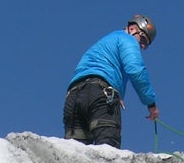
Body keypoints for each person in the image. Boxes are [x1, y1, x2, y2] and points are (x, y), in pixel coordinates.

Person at [63, 15, 159, 148]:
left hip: (73, 97)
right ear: (132, 29)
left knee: (75, 154)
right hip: (101, 95)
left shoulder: (106, 42)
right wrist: (151, 103)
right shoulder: (127, 40)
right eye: (142, 39)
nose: (142, 46)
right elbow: (136, 70)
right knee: (108, 151)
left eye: (146, 45)